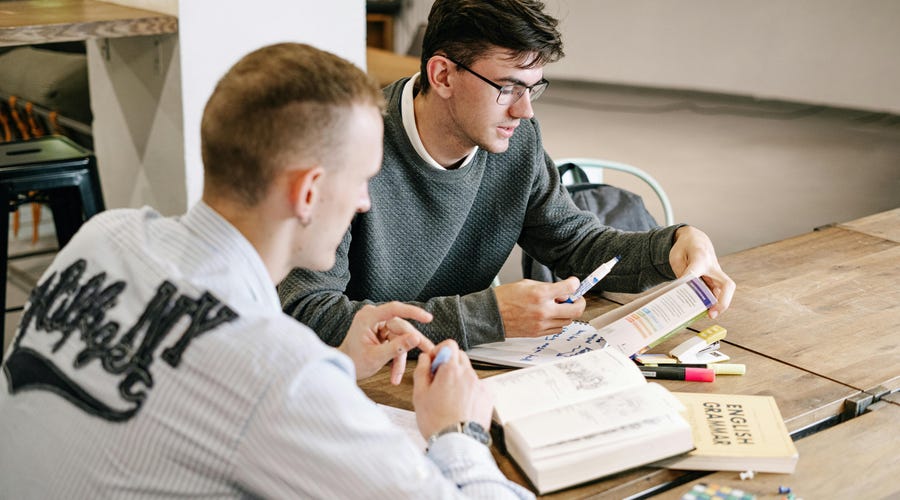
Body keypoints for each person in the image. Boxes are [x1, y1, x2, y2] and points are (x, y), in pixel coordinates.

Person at [0, 43, 531, 498]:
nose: (365, 202)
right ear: (308, 192)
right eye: (362, 179)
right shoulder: (278, 375)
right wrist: (458, 432)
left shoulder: (103, 236)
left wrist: (338, 363)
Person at [279, 0, 736, 349]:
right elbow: (308, 313)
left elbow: (575, 245)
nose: (525, 111)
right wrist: (488, 317)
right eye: (508, 88)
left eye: (534, 88)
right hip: (361, 384)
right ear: (442, 75)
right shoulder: (349, 146)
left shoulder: (516, 140)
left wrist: (674, 246)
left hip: (457, 372)